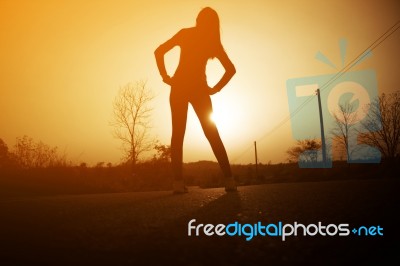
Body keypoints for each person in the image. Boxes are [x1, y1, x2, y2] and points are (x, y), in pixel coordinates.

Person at [154, 7, 237, 193]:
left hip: (179, 87)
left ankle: (177, 183)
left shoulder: (186, 34)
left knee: (178, 135)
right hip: (199, 89)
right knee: (212, 133)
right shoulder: (212, 41)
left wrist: (165, 76)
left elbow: (158, 51)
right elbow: (231, 69)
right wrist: (215, 88)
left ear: (199, 20)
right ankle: (229, 180)